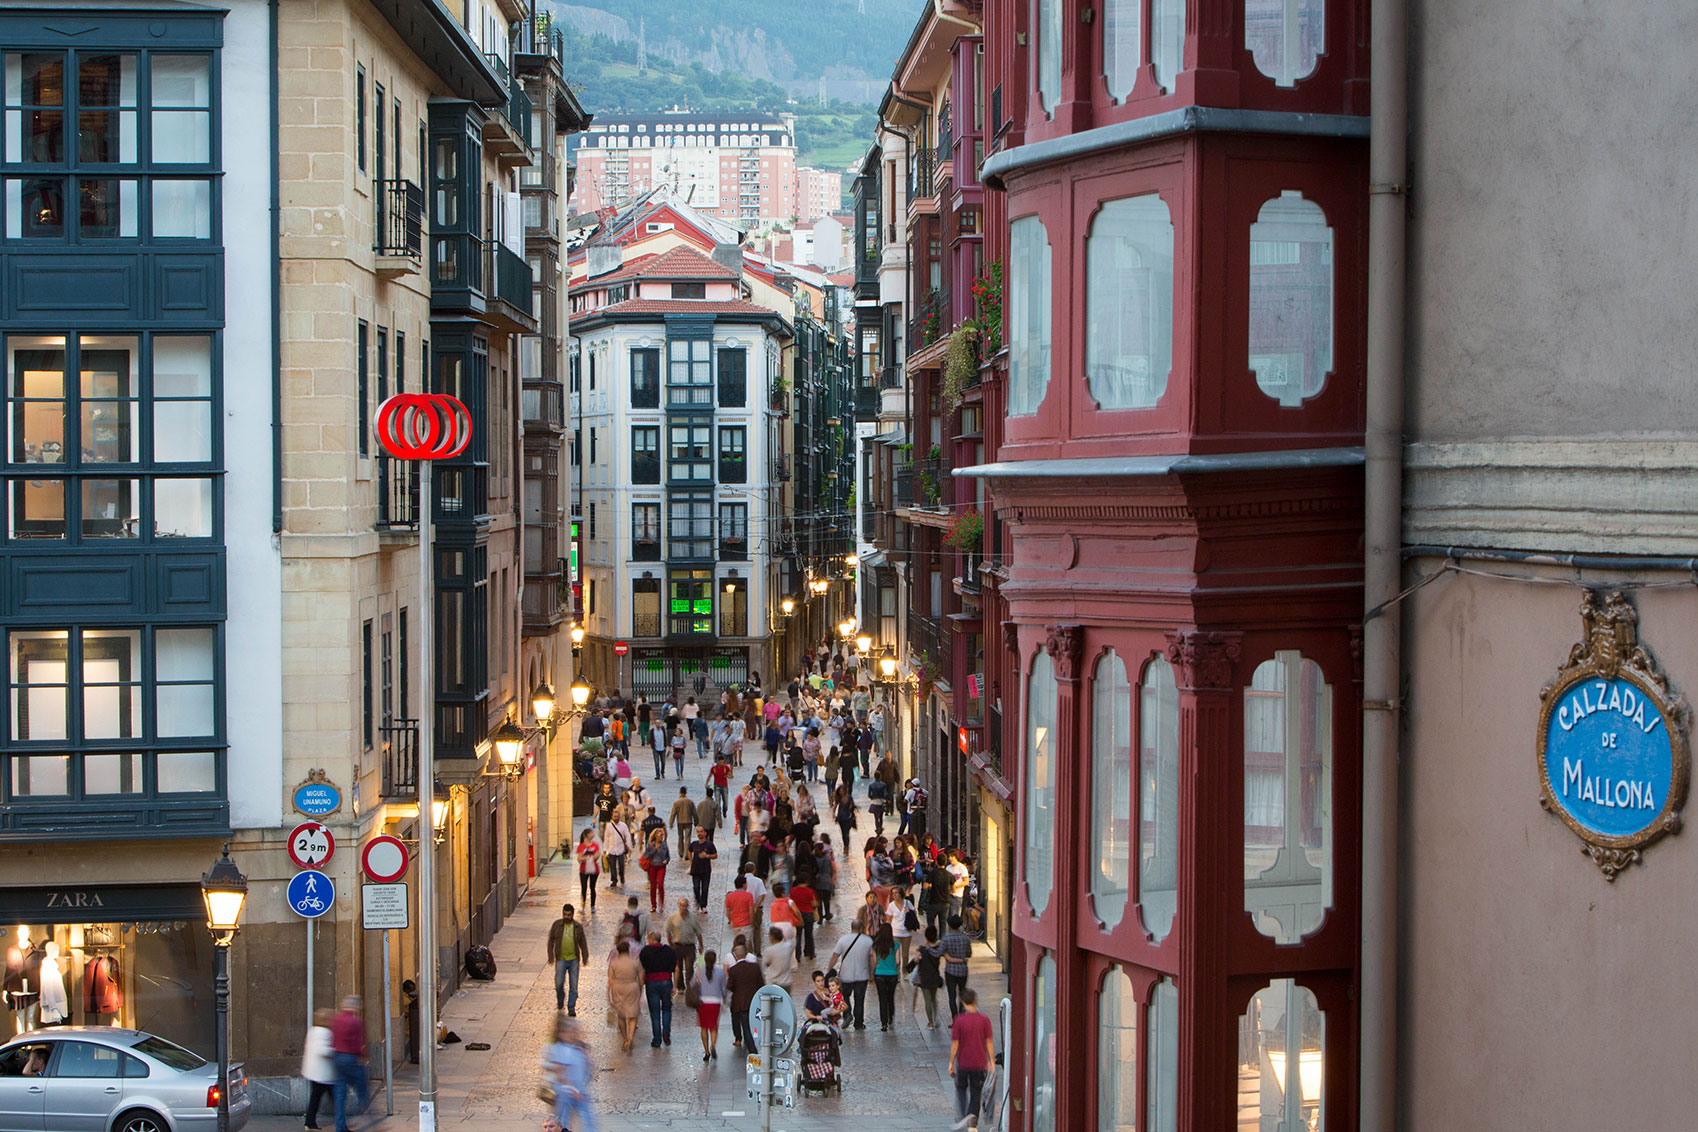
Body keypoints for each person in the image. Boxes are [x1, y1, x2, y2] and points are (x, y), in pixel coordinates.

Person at [948, 987, 996, 1130]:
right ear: (975, 1001)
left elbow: (955, 1043)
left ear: (962, 1002)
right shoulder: (984, 1020)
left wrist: (951, 1062)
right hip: (979, 1062)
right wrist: (992, 1061)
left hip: (963, 1062)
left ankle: (963, 1116)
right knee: (976, 1091)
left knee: (961, 1089)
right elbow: (989, 1042)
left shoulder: (959, 1020)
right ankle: (973, 1121)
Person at [544, 1015, 598, 1132]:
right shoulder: (560, 1049)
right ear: (563, 1034)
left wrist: (586, 1056)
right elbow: (560, 1073)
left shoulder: (577, 1046)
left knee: (587, 1120)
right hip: (565, 1092)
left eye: (576, 1030)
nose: (575, 1033)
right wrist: (573, 1090)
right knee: (562, 1123)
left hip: (577, 1090)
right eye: (572, 1031)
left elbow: (587, 1067)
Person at [828, 913, 876, 1031]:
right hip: (862, 975)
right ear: (861, 928)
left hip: (845, 975)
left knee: (844, 997)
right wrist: (871, 973)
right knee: (859, 999)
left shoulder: (843, 940)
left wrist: (829, 970)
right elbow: (873, 958)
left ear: (851, 927)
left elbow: (835, 956)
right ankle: (859, 1023)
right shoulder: (868, 940)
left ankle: (847, 1014)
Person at [330, 995, 369, 1132]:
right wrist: (362, 1057)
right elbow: (358, 1043)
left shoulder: (336, 1019)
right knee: (362, 1082)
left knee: (339, 1094)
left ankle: (340, 1126)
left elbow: (333, 1039)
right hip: (350, 1057)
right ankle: (365, 1104)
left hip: (337, 1057)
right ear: (355, 1006)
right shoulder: (356, 1022)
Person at [546, 903, 590, 1016]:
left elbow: (583, 943)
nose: (566, 917)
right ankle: (560, 999)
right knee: (559, 983)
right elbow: (551, 940)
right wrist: (551, 955)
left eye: (569, 915)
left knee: (574, 985)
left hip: (574, 960)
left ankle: (571, 1007)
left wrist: (585, 957)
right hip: (561, 959)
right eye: (565, 914)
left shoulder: (577, 927)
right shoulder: (557, 925)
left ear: (572, 915)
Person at [638, 931, 677, 1047]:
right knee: (666, 1008)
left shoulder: (645, 951)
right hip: (666, 981)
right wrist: (675, 986)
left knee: (654, 1013)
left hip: (651, 983)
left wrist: (641, 985)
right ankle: (666, 1031)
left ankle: (657, 1039)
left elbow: (641, 970)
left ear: (650, 939)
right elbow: (677, 968)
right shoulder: (669, 951)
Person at [301, 1007, 335, 1130]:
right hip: (322, 1074)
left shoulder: (313, 1030)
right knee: (334, 1097)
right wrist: (335, 1051)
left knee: (315, 1098)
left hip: (315, 1073)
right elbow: (322, 1050)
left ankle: (310, 1122)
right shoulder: (324, 1032)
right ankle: (339, 1120)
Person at [692, 948, 729, 1061]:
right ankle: (713, 1045)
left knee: (703, 1027)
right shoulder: (720, 973)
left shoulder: (699, 971)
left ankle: (706, 1051)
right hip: (715, 1003)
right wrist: (725, 999)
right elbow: (723, 989)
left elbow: (692, 984)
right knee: (713, 1026)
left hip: (702, 1002)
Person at [726, 937, 763, 1048]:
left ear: (736, 956)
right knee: (752, 1025)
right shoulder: (755, 967)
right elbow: (761, 983)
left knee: (744, 1025)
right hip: (753, 1000)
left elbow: (730, 986)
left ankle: (751, 1049)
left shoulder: (733, 970)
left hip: (739, 1002)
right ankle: (752, 1043)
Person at [607, 940, 643, 1052]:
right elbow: (641, 978)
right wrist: (640, 989)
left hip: (618, 987)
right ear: (628, 950)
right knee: (633, 1015)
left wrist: (608, 995)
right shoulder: (635, 962)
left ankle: (625, 1038)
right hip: (632, 986)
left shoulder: (613, 963)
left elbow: (610, 980)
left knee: (621, 1015)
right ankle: (631, 1036)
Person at [666, 898, 702, 994]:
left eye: (685, 906)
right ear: (679, 906)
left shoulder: (693, 918)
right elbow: (668, 930)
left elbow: (698, 932)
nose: (684, 908)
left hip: (689, 946)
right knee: (678, 967)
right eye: (682, 906)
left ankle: (690, 986)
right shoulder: (673, 917)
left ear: (688, 906)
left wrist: (701, 945)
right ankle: (680, 987)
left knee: (689, 967)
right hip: (677, 946)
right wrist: (670, 943)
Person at [941, 915, 973, 1018]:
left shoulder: (946, 939)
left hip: (950, 970)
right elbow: (969, 953)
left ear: (949, 925)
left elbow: (939, 952)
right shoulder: (966, 939)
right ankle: (962, 1017)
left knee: (952, 996)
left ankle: (955, 1019)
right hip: (963, 970)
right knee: (962, 994)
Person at [915, 926, 945, 1028]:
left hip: (924, 978)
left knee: (927, 1000)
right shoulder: (938, 949)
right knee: (933, 999)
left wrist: (924, 944)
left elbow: (916, 959)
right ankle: (936, 1018)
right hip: (935, 977)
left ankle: (930, 1022)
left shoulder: (922, 950)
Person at [872, 923, 900, 1032]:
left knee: (882, 999)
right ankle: (890, 1017)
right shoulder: (896, 945)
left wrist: (872, 972)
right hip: (892, 974)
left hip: (879, 974)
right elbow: (898, 961)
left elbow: (874, 961)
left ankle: (883, 1023)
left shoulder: (875, 945)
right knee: (890, 997)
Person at [688, 826, 718, 912]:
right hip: (695, 870)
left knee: (705, 888)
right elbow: (689, 851)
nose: (699, 834)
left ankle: (703, 905)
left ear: (705, 833)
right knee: (696, 887)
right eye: (698, 832)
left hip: (706, 870)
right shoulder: (694, 844)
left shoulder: (709, 844)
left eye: (701, 832)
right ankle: (698, 901)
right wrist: (691, 861)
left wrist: (707, 856)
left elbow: (715, 855)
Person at [641, 827, 671, 912]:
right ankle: (653, 905)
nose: (662, 836)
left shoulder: (664, 845)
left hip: (661, 867)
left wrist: (667, 860)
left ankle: (661, 903)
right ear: (656, 836)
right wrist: (654, 850)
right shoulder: (650, 845)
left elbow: (668, 856)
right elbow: (646, 855)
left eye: (662, 835)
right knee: (653, 886)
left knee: (661, 885)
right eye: (660, 835)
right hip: (652, 867)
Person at [889, 884, 918, 971]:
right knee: (896, 954)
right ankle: (897, 973)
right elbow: (889, 919)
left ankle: (905, 971)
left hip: (906, 933)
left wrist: (908, 912)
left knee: (905, 955)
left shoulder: (907, 903)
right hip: (895, 933)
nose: (894, 895)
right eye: (893, 893)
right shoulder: (891, 905)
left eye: (896, 893)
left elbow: (914, 913)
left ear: (901, 894)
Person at [724, 873, 755, 950]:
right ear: (743, 884)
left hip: (735, 923)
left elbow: (728, 910)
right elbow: (751, 910)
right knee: (747, 943)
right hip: (746, 923)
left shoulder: (730, 896)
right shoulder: (749, 895)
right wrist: (752, 921)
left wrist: (730, 920)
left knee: (738, 942)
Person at [604, 811, 634, 890]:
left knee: (621, 865)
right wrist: (605, 849)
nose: (616, 818)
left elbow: (627, 836)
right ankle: (614, 880)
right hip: (612, 849)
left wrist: (629, 846)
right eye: (615, 816)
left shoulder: (623, 826)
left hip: (620, 849)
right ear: (612, 817)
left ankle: (622, 876)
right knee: (612, 866)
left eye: (617, 816)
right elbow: (606, 838)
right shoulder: (609, 826)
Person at [575, 828, 602, 911]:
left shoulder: (595, 845)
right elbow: (579, 858)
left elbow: (597, 855)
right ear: (587, 835)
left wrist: (587, 857)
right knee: (584, 887)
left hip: (594, 869)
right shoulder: (581, 846)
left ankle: (592, 905)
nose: (593, 834)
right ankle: (582, 904)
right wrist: (589, 857)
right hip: (583, 869)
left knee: (592, 887)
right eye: (591, 832)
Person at [669, 786, 697, 858]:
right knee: (688, 838)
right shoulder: (690, 802)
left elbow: (673, 813)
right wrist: (696, 821)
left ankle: (681, 852)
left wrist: (671, 823)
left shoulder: (676, 802)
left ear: (680, 792)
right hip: (688, 821)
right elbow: (694, 813)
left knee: (680, 837)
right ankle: (686, 853)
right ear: (686, 792)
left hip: (680, 822)